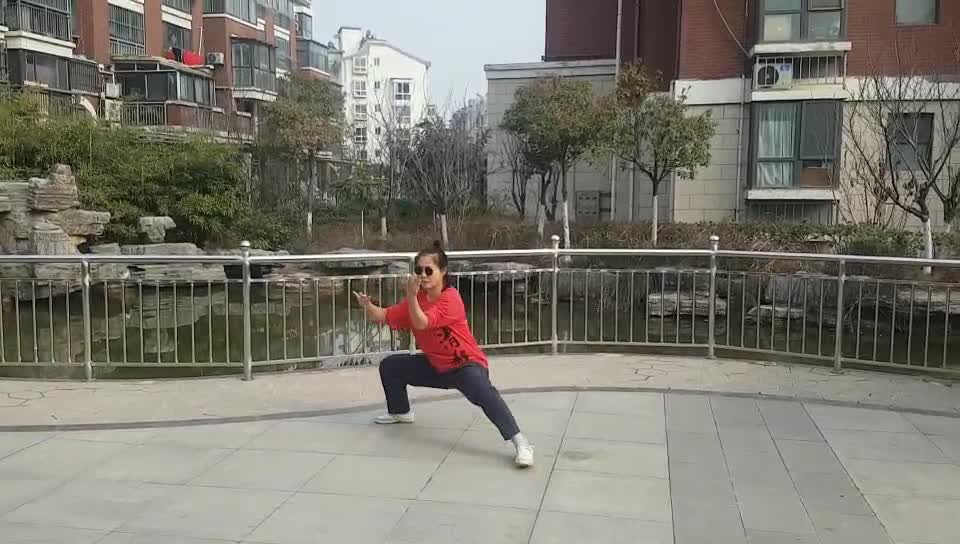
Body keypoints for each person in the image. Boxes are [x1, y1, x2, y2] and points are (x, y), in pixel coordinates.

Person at [352, 241, 534, 468]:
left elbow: (422, 322)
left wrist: (411, 297)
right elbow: (383, 315)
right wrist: (367, 305)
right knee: (391, 367)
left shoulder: (450, 298)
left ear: (443, 271)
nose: (423, 275)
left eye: (429, 270)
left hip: (465, 365)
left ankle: (521, 443)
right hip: (436, 365)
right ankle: (400, 412)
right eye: (418, 270)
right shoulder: (417, 300)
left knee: (482, 392)